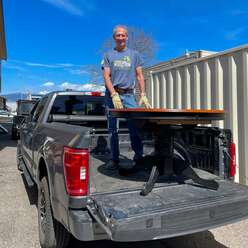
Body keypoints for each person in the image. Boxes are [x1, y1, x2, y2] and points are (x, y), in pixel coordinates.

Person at [102, 24, 151, 170]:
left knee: (134, 126)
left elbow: (139, 75)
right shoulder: (108, 55)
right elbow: (106, 76)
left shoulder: (134, 55)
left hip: (129, 95)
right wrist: (113, 94)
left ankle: (138, 156)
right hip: (113, 95)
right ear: (114, 38)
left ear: (127, 37)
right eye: (118, 35)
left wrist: (143, 94)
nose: (121, 38)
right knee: (112, 129)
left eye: (123, 35)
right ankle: (114, 158)